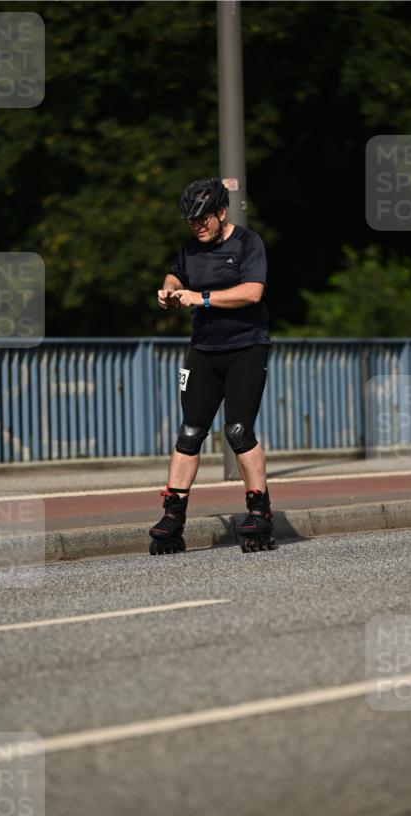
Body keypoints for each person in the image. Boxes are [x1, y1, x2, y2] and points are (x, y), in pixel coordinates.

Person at [149, 177, 274, 554]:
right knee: (190, 432)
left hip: (246, 348)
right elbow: (176, 273)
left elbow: (252, 292)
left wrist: (201, 298)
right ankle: (173, 516)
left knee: (238, 430)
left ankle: (259, 512)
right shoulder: (191, 248)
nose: (198, 226)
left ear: (222, 212)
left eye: (204, 219)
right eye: (191, 221)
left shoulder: (248, 243)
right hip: (204, 350)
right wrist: (169, 290)